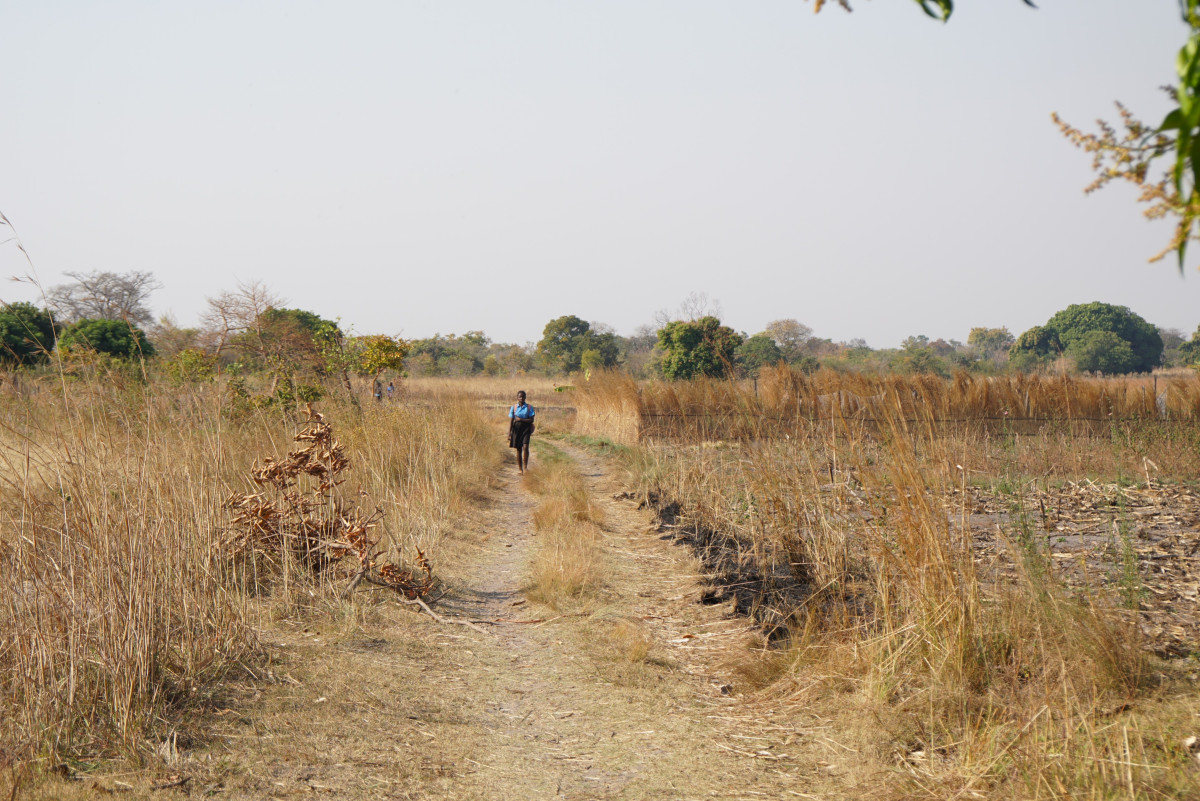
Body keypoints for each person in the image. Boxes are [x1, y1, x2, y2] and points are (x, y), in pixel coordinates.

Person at [507, 390, 535, 473]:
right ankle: (520, 469)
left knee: (525, 447)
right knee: (519, 449)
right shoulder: (514, 407)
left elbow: (531, 420)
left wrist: (521, 419)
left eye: (523, 396)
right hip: (516, 429)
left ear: (525, 397)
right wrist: (509, 433)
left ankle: (525, 468)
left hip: (526, 429)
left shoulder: (529, 407)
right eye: (520, 397)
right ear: (517, 398)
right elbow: (511, 421)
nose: (521, 398)